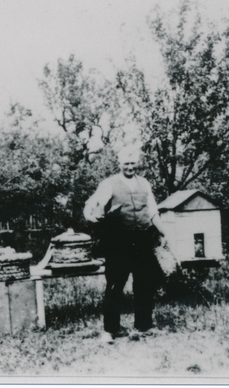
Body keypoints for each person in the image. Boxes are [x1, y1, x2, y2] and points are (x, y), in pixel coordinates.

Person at [84, 146, 171, 343]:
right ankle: (110, 330)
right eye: (126, 163)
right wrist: (92, 216)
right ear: (119, 164)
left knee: (145, 284)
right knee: (115, 285)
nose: (130, 167)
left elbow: (153, 212)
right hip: (118, 241)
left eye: (133, 163)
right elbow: (91, 205)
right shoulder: (109, 184)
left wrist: (164, 232)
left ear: (137, 164)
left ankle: (144, 326)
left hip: (142, 239)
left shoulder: (144, 184)